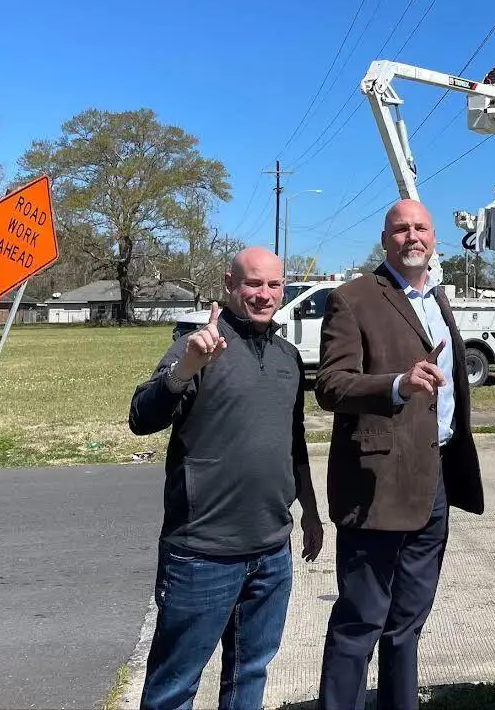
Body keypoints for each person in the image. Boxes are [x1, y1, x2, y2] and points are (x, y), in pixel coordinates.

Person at [128, 246, 323, 710]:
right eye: (253, 283)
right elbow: (141, 417)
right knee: (175, 685)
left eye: (274, 285)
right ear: (229, 285)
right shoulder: (196, 347)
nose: (264, 294)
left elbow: (293, 443)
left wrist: (311, 511)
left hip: (271, 551)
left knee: (249, 673)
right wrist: (186, 369)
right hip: (202, 554)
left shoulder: (288, 358)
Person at [314, 198, 484, 710]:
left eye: (421, 228)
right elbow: (330, 385)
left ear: (434, 237)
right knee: (361, 618)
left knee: (407, 622)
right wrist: (395, 384)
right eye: (401, 229)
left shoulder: (436, 296)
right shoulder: (355, 298)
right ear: (385, 238)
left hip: (433, 481)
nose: (412, 236)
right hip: (377, 483)